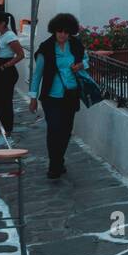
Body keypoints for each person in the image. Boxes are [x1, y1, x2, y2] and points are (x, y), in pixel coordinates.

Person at [29, 13, 87, 181]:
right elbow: (37, 75)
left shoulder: (75, 45)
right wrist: (33, 97)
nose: (63, 35)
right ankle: (54, 165)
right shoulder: (45, 48)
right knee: (54, 129)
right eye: (60, 31)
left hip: (71, 94)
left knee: (66, 130)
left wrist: (82, 65)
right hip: (51, 96)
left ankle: (59, 160)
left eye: (67, 32)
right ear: (54, 31)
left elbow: (86, 59)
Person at [0, 9, 24, 136]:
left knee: (4, 101)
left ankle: (5, 129)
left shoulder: (10, 36)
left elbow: (20, 54)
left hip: (5, 72)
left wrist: (6, 65)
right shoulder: (1, 35)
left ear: (3, 23)